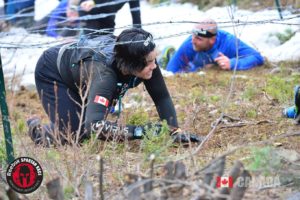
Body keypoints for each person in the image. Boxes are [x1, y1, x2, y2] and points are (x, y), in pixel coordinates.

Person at [28, 28, 202, 146]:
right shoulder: (105, 76)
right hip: (53, 71)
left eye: (154, 59)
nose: (154, 66)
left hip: (84, 72)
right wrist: (141, 131)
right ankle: (38, 132)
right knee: (77, 134)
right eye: (149, 62)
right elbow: (94, 126)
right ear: (132, 65)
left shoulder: (145, 58)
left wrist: (174, 131)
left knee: (91, 121)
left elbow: (161, 97)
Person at [164, 18, 264, 73]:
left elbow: (257, 57)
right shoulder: (190, 43)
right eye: (193, 36)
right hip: (194, 65)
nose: (193, 41)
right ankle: (169, 55)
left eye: (199, 39)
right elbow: (171, 71)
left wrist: (232, 63)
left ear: (212, 40)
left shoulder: (229, 42)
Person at [67, 0, 141, 36]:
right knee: (90, 42)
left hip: (108, 18)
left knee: (105, 45)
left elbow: (136, 15)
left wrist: (139, 35)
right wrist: (70, 7)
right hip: (88, 11)